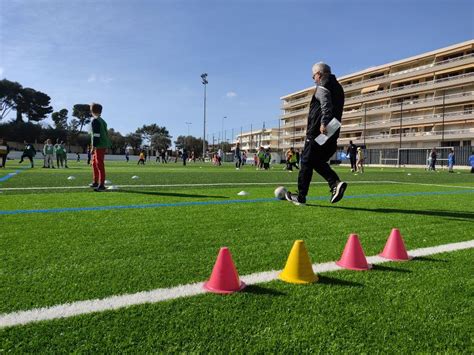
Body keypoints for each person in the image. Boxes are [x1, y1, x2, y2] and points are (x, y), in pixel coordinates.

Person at [286, 62, 347, 205]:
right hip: (333, 128)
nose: (313, 79)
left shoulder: (322, 86)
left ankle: (301, 196)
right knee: (316, 160)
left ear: (319, 74)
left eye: (313, 76)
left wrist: (323, 122)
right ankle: (335, 184)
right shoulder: (338, 87)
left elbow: (326, 104)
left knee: (307, 160)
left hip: (320, 130)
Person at [89, 102, 111, 192]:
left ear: (91, 110)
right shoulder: (102, 120)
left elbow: (96, 135)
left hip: (99, 145)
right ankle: (95, 182)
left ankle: (101, 185)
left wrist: (93, 147)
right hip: (101, 144)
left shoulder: (95, 120)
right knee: (94, 163)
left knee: (99, 164)